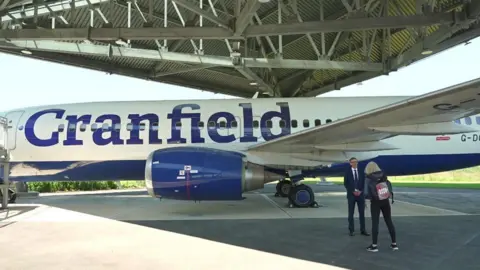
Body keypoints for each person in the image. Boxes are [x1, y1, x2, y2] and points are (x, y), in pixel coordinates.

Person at [364, 161, 398, 252]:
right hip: (385, 201)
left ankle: (374, 245)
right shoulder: (383, 176)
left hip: (375, 202)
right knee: (389, 221)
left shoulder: (368, 178)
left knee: (375, 223)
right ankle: (394, 244)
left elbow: (366, 193)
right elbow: (388, 186)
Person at [343, 157, 369, 236]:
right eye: (353, 162)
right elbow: (346, 183)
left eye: (356, 162)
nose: (355, 163)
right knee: (351, 213)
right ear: (350, 163)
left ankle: (363, 230)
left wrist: (360, 191)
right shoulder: (347, 172)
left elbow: (364, 182)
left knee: (362, 213)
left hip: (360, 195)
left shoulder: (361, 171)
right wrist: (353, 191)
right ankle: (351, 230)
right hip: (351, 195)